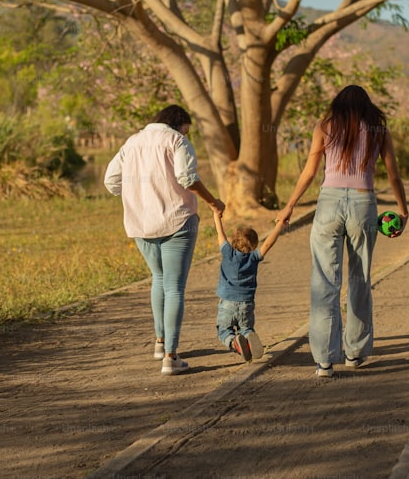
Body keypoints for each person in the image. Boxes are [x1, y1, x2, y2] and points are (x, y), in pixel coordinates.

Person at [275, 85, 409, 377]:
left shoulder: (324, 126)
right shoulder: (378, 130)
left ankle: (324, 360)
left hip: (328, 205)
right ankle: (355, 353)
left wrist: (289, 206)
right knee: (360, 279)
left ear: (338, 104)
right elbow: (393, 174)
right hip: (363, 203)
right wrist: (403, 211)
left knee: (324, 281)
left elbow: (310, 172)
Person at [105, 104, 225, 376]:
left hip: (141, 223)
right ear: (180, 123)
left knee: (158, 279)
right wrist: (213, 201)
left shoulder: (132, 142)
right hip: (177, 221)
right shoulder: (177, 140)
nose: (187, 133)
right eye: (187, 128)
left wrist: (140, 193)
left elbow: (111, 181)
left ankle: (160, 344)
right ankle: (171, 357)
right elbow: (187, 178)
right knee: (174, 288)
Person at [212, 207, 284, 362]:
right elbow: (268, 244)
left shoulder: (227, 253)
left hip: (227, 303)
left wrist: (216, 216)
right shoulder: (253, 257)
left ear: (233, 241)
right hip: (247, 303)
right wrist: (279, 225)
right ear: (253, 245)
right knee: (246, 328)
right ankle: (247, 336)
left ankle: (234, 343)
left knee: (224, 330)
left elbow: (220, 233)